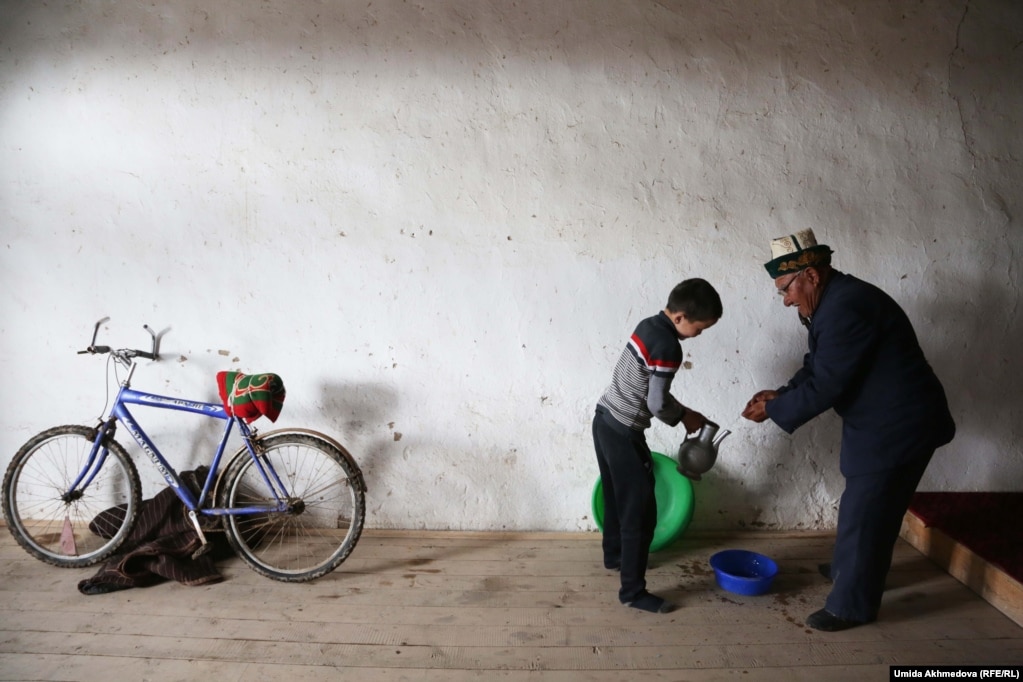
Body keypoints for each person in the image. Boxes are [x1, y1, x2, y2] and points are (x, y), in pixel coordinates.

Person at [741, 229, 955, 631]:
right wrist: (781, 394)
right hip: (884, 420)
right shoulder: (833, 302)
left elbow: (828, 385)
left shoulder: (845, 307)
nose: (786, 299)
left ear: (811, 275)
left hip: (900, 424)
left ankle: (851, 605)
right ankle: (847, 568)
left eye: (785, 289)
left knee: (868, 508)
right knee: (866, 502)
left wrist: (775, 410)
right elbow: (816, 365)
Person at [593, 278, 722, 613]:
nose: (699, 335)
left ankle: (615, 556)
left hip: (604, 418)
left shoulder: (648, 325)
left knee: (614, 494)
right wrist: (685, 417)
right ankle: (633, 593)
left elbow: (652, 389)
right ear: (679, 317)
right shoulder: (669, 346)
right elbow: (656, 403)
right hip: (624, 431)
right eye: (700, 328)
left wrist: (683, 412)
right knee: (641, 511)